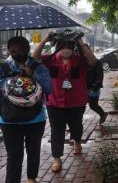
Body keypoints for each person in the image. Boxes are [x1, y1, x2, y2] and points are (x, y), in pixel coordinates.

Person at [0, 36, 52, 183]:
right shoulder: (3, 68)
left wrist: (32, 75)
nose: (16, 54)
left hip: (35, 119)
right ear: (9, 51)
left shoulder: (37, 66)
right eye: (12, 51)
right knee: (14, 157)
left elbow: (49, 88)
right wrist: (11, 79)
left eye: (20, 50)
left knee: (33, 150)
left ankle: (31, 177)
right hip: (9, 120)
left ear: (27, 50)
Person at [32, 30, 97, 172]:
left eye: (69, 47)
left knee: (76, 125)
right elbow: (34, 57)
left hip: (77, 101)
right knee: (57, 130)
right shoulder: (50, 60)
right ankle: (57, 158)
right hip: (54, 102)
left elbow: (93, 61)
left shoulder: (80, 60)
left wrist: (80, 42)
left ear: (73, 48)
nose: (66, 50)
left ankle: (77, 141)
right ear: (58, 47)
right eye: (63, 46)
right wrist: (46, 39)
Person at [87, 57, 107, 124]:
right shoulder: (81, 61)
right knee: (79, 107)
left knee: (93, 105)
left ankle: (103, 114)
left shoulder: (96, 62)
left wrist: (94, 87)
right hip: (83, 87)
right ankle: (74, 124)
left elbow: (100, 76)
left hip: (93, 88)